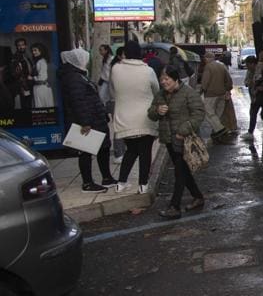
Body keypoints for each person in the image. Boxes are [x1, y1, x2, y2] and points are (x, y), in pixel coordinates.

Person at [148, 65, 205, 220]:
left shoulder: (188, 93)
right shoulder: (160, 94)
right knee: (183, 171)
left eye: (166, 79)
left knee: (179, 172)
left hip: (184, 140)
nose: (163, 82)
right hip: (168, 139)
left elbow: (199, 113)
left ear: (176, 79)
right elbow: (151, 113)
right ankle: (198, 196)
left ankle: (174, 207)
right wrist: (157, 111)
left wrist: (183, 130)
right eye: (161, 79)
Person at [58, 48, 116, 193]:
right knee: (85, 151)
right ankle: (88, 183)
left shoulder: (79, 75)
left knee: (103, 148)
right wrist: (85, 122)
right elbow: (78, 102)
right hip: (88, 121)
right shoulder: (73, 78)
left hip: (96, 117)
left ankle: (107, 177)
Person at [110, 41, 159, 194]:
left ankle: (121, 183)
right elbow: (157, 90)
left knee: (131, 151)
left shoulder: (115, 69)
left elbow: (113, 91)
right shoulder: (148, 71)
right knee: (145, 152)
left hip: (124, 117)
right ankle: (143, 185)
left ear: (124, 53)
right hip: (145, 117)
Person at [200, 51, 233, 143]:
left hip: (210, 94)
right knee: (218, 113)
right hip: (222, 93)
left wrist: (201, 90)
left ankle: (220, 129)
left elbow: (205, 82)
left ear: (208, 58)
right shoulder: (222, 66)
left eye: (205, 58)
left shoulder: (208, 67)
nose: (204, 60)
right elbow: (229, 80)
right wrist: (227, 89)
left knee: (209, 113)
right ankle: (216, 132)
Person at [10, 38, 34, 109]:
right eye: (19, 45)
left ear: (25, 46)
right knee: (25, 105)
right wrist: (23, 85)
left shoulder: (26, 55)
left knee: (29, 104)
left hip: (30, 83)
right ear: (16, 47)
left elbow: (30, 69)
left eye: (22, 45)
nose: (21, 47)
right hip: (23, 85)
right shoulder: (15, 57)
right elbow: (14, 73)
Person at [29, 43, 55, 108]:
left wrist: (31, 78)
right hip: (42, 87)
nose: (33, 52)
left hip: (41, 88)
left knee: (41, 106)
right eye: (32, 51)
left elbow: (42, 78)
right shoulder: (41, 61)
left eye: (35, 50)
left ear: (41, 51)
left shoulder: (41, 62)